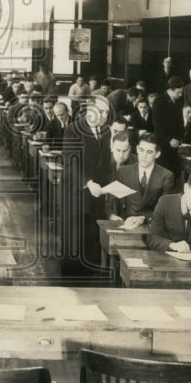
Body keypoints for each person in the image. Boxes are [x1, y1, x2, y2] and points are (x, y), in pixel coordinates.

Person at [62, 97, 112, 277]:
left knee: (93, 238)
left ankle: (92, 278)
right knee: (75, 240)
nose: (105, 116)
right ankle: (72, 282)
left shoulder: (106, 131)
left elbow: (105, 164)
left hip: (98, 194)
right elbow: (71, 162)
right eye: (101, 112)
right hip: (77, 193)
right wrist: (88, 183)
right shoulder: (73, 129)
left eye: (107, 112)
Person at [110, 134, 175, 226]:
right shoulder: (123, 172)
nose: (144, 156)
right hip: (126, 223)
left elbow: (166, 209)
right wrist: (112, 215)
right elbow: (110, 203)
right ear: (136, 149)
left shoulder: (166, 175)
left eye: (149, 152)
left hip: (152, 224)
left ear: (157, 154)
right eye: (141, 150)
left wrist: (143, 218)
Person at [150, 76, 185, 178]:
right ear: (170, 90)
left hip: (175, 145)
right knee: (163, 173)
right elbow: (158, 125)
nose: (181, 95)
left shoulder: (179, 103)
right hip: (163, 144)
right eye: (178, 92)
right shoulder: (159, 101)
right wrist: (169, 140)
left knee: (174, 173)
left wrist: (178, 138)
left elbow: (180, 124)